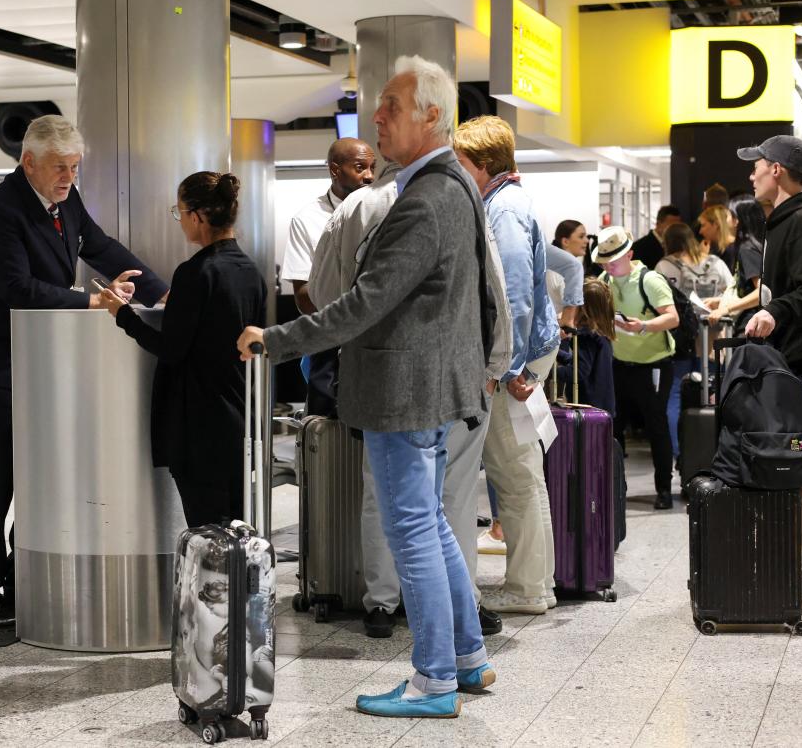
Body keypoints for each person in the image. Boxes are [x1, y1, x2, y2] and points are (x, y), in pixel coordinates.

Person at [237, 55, 495, 718]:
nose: (375, 118)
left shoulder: (426, 199)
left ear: (431, 116)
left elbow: (365, 303)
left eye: (391, 108)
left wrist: (276, 339)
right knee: (430, 523)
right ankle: (466, 658)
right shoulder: (452, 186)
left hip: (403, 389)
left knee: (412, 527)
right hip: (430, 386)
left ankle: (434, 678)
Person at [0, 115, 169, 628]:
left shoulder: (65, 199)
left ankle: (21, 578)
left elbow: (99, 246)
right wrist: (89, 300)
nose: (69, 177)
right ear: (28, 162)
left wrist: (160, 291)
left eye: (74, 167)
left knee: (38, 479)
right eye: (59, 167)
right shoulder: (0, 209)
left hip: (44, 361)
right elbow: (15, 288)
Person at [311, 159, 513, 639]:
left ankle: (382, 604)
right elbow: (494, 288)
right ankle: (460, 606)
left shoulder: (357, 206)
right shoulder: (459, 199)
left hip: (380, 374)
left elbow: (323, 292)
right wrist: (495, 365)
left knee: (383, 492)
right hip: (459, 374)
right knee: (453, 498)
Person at [96, 172, 266, 527]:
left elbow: (170, 349)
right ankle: (243, 586)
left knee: (207, 532)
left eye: (180, 211)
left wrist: (122, 314)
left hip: (198, 424)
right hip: (239, 417)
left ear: (198, 216)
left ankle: (214, 587)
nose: (179, 220)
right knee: (238, 529)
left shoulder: (195, 272)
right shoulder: (250, 271)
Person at [453, 115, 560, 617]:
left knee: (517, 476)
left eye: (461, 162)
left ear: (484, 164)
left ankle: (530, 588)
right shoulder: (504, 203)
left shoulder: (505, 209)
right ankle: (531, 584)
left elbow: (513, 293)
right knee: (518, 475)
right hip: (518, 357)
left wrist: (506, 365)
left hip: (511, 361)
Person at [737, 135, 802, 609]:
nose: (751, 174)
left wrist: (775, 311)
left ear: (777, 170)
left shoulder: (800, 220)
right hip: (799, 363)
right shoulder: (786, 219)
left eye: (757, 166)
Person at [281, 138, 377, 417]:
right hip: (328, 346)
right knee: (329, 439)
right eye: (360, 167)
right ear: (335, 170)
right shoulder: (308, 219)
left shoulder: (385, 210)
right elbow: (303, 298)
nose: (369, 176)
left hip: (376, 346)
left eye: (372, 167)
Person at [594, 226, 680, 510]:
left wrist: (642, 326)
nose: (609, 266)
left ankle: (664, 489)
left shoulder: (650, 280)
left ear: (630, 255)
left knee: (657, 428)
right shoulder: (605, 279)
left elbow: (672, 318)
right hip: (619, 365)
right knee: (614, 428)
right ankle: (616, 488)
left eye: (614, 260)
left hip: (653, 366)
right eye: (605, 261)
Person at [654, 222, 732, 461]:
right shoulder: (716, 263)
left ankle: (678, 451)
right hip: (713, 340)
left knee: (674, 395)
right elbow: (732, 293)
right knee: (715, 394)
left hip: (679, 341)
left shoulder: (664, 266)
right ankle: (717, 448)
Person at [706, 198, 765, 334]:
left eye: (727, 216)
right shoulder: (754, 246)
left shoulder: (747, 249)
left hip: (749, 327)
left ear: (736, 220)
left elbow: (761, 292)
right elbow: (749, 290)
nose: (725, 221)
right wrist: (722, 300)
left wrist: (727, 308)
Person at [570, 278, 617, 416]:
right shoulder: (601, 333)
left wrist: (551, 370)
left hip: (589, 411)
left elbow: (579, 372)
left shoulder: (587, 336)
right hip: (601, 408)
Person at [631, 205, 682, 269]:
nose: (674, 229)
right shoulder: (638, 247)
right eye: (671, 225)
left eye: (678, 226)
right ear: (658, 223)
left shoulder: (679, 247)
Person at [698, 204, 737, 271]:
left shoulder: (732, 251)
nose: (700, 231)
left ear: (716, 224)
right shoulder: (714, 248)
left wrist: (703, 257)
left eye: (703, 225)